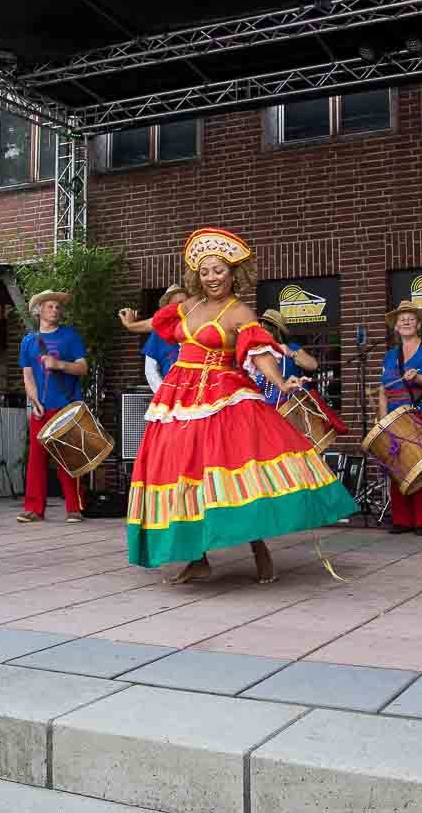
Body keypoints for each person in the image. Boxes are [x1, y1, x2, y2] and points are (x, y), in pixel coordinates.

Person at [126, 227, 357, 583]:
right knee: (183, 472)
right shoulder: (190, 305)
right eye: (205, 271)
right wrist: (132, 325)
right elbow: (157, 324)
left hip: (220, 397)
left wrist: (281, 381)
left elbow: (259, 352)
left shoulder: (240, 312)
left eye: (218, 270)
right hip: (178, 399)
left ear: (233, 273)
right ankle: (197, 557)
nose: (212, 277)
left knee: (234, 471)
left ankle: (259, 547)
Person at [17, 290, 89, 524]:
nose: (55, 310)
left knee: (68, 456)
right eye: (50, 306)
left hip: (66, 406)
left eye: (58, 307)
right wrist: (34, 400)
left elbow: (83, 368)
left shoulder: (70, 336)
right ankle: (33, 509)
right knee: (36, 459)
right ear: (38, 311)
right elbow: (28, 375)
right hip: (41, 407)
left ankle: (74, 508)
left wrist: (59, 365)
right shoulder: (28, 341)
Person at [378, 300, 422, 536]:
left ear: (418, 324)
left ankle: (421, 521)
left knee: (421, 467)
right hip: (394, 417)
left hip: (419, 414)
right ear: (396, 326)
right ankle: (401, 519)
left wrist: (418, 378)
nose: (406, 322)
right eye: (402, 319)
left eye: (411, 318)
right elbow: (383, 391)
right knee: (397, 468)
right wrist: (382, 421)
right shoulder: (389, 356)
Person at [120, 285, 188, 393]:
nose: (181, 308)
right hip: (171, 395)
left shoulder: (197, 328)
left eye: (185, 303)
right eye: (177, 304)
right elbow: (151, 371)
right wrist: (164, 394)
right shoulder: (158, 334)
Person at [254, 309, 318, 405]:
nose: (263, 332)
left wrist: (291, 353)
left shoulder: (290, 347)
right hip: (266, 409)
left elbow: (313, 365)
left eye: (268, 328)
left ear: (277, 332)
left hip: (290, 408)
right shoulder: (257, 353)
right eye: (261, 328)